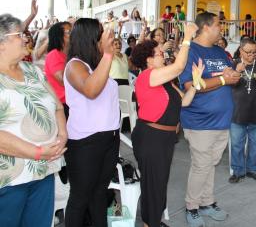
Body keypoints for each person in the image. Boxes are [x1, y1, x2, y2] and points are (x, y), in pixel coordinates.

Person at [0, 14, 67, 227]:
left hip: (43, 171)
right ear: (2, 43)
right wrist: (36, 152)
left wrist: (62, 135)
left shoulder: (32, 71)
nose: (27, 39)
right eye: (20, 34)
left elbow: (56, 105)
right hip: (10, 178)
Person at [130, 22, 199, 227]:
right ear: (148, 60)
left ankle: (154, 221)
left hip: (165, 138)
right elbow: (178, 66)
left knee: (159, 183)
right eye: (160, 53)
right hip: (151, 137)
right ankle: (149, 223)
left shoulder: (165, 82)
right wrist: (186, 38)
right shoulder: (147, 76)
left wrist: (195, 83)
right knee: (153, 184)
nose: (164, 55)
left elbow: (185, 101)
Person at [178, 12, 240, 227]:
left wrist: (232, 75)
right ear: (205, 27)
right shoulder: (190, 52)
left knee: (210, 164)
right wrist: (223, 78)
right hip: (200, 120)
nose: (221, 29)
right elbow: (190, 86)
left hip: (222, 119)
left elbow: (227, 76)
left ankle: (207, 202)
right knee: (202, 164)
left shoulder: (219, 51)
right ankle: (192, 206)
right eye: (218, 26)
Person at [63, 19, 120, 227]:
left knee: (99, 194)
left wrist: (105, 57)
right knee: (80, 198)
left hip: (108, 139)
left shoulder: (97, 64)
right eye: (101, 34)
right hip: (86, 143)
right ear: (90, 38)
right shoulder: (74, 65)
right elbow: (91, 90)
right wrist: (107, 55)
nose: (105, 38)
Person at [229, 39, 256, 183]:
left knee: (255, 144)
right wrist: (237, 72)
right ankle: (237, 171)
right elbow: (227, 85)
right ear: (241, 50)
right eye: (248, 52)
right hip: (237, 112)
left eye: (254, 52)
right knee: (237, 144)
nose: (251, 55)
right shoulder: (234, 64)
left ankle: (253, 170)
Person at [45, 21, 72, 118]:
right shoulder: (54, 54)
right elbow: (63, 80)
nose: (73, 33)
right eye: (69, 31)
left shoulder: (68, 55)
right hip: (63, 105)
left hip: (70, 102)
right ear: (59, 36)